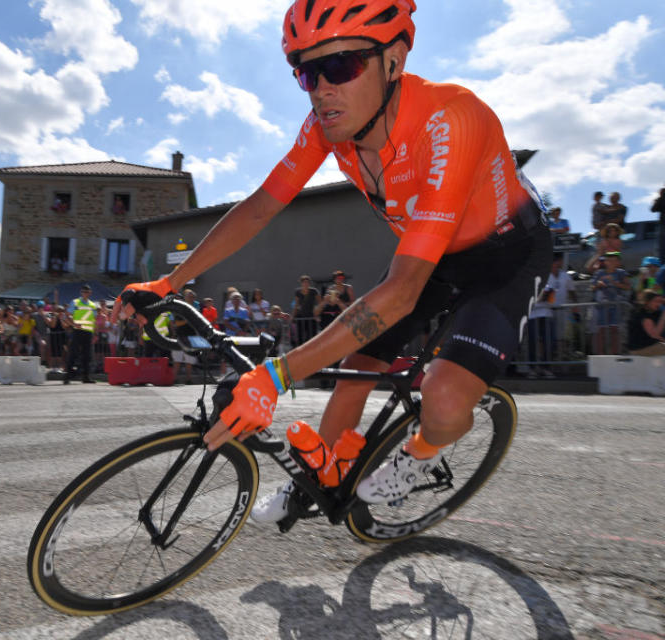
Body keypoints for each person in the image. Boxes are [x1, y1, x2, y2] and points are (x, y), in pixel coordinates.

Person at [115, 0, 552, 521]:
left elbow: (404, 288)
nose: (322, 87)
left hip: (506, 254)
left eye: (341, 65)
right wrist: (171, 280)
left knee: (445, 402)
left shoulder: (450, 120)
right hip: (436, 254)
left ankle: (421, 454)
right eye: (307, 72)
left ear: (394, 60)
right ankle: (317, 481)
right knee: (355, 370)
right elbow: (259, 209)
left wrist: (274, 377)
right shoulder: (327, 126)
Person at [526, 254, 575, 378]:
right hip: (532, 315)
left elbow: (550, 296)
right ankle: (532, 368)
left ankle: (546, 368)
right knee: (533, 342)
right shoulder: (532, 276)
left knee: (548, 341)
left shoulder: (552, 277)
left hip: (547, 313)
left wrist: (544, 296)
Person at [591, 251, 630, 355]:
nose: (612, 262)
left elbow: (628, 287)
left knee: (615, 330)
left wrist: (614, 283)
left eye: (615, 260)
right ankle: (600, 356)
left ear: (618, 262)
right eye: (609, 260)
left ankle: (615, 355)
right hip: (602, 305)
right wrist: (598, 284)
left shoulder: (621, 273)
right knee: (601, 331)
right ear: (605, 262)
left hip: (616, 305)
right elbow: (592, 288)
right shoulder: (599, 273)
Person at [64, 284, 96, 384]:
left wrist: (95, 333)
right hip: (77, 331)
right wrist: (73, 324)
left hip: (88, 332)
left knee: (87, 355)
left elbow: (93, 320)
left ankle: (86, 377)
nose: (84, 293)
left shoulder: (93, 305)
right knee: (73, 353)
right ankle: (68, 376)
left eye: (86, 291)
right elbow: (67, 316)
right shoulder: (75, 302)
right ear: (81, 292)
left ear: (90, 293)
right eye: (83, 291)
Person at [626, 289, 665, 356]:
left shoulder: (653, 311)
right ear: (647, 302)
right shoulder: (643, 315)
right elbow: (654, 334)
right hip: (639, 349)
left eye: (660, 302)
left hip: (648, 346)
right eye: (656, 301)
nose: (659, 304)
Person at [291, 275, 320, 345]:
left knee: (312, 335)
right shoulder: (297, 292)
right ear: (301, 283)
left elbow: (320, 303)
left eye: (307, 282)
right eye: (304, 282)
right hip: (301, 316)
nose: (306, 284)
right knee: (300, 335)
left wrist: (317, 314)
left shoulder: (314, 291)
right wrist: (293, 316)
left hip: (311, 316)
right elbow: (296, 304)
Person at [652, 187, 665, 261]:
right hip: (662, 225)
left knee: (660, 249)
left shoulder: (661, 198)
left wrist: (660, 198)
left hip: (662, 225)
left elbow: (653, 209)